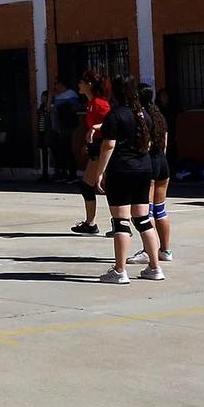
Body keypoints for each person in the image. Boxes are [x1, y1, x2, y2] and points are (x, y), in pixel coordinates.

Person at [86, 74, 165, 283]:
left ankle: (120, 271)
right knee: (143, 219)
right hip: (143, 169)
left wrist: (100, 172)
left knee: (121, 221)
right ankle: (155, 267)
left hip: (122, 170)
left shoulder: (115, 115)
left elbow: (109, 145)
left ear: (116, 92)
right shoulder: (142, 115)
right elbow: (147, 144)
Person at [131, 84, 175, 265]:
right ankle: (165, 249)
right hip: (162, 163)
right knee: (160, 209)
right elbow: (164, 142)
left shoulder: (142, 118)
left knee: (145, 211)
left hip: (148, 163)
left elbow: (143, 144)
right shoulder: (159, 116)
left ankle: (148, 250)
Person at [71, 69, 112, 235]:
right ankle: (90, 223)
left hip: (104, 149)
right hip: (96, 149)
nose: (79, 84)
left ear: (89, 84)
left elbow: (111, 123)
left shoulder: (100, 104)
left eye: (82, 81)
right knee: (87, 186)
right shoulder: (91, 103)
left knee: (107, 187)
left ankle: (119, 223)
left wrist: (97, 131)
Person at [49, 80, 82, 182]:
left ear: (61, 84)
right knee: (59, 150)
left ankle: (72, 173)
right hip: (58, 126)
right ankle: (62, 172)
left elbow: (74, 108)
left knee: (67, 149)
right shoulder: (58, 96)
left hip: (66, 126)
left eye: (56, 83)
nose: (55, 86)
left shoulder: (70, 94)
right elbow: (50, 108)